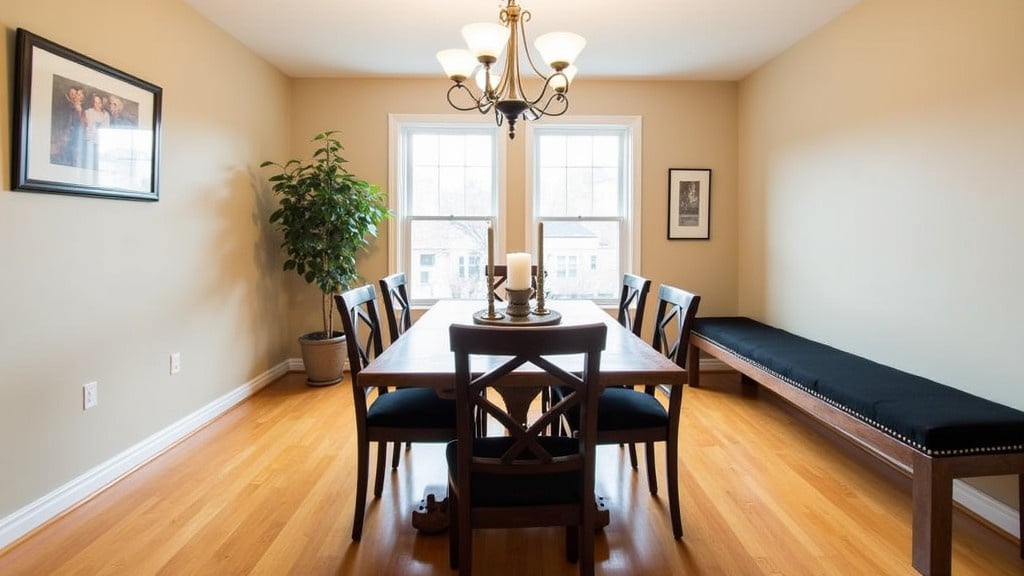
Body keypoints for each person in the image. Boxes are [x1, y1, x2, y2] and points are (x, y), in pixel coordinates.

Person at [82, 92, 110, 170]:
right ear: (93, 103)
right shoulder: (89, 112)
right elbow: (87, 125)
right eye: (95, 102)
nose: (97, 104)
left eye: (99, 102)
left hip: (100, 143)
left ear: (102, 103)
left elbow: (106, 130)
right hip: (89, 140)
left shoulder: (105, 115)